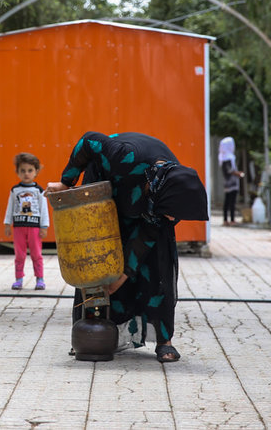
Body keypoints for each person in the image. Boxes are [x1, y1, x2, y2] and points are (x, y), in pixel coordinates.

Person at [45, 131, 208, 363]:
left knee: (157, 262)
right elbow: (89, 140)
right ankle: (87, 337)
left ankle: (164, 340)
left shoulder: (172, 193)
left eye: (175, 216)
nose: (173, 219)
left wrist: (121, 276)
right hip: (105, 192)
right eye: (171, 214)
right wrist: (66, 182)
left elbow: (144, 238)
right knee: (98, 260)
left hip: (146, 205)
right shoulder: (125, 156)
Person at [3, 152, 49, 291]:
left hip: (34, 227)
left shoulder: (39, 190)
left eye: (30, 170)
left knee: (36, 254)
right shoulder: (15, 190)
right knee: (19, 254)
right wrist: (7, 223)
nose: (26, 174)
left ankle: (40, 279)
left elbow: (43, 209)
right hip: (19, 227)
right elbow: (10, 207)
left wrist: (44, 226)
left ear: (36, 172)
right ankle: (19, 279)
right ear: (17, 172)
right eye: (22, 171)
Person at [219, 137, 245, 224]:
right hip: (232, 182)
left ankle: (226, 219)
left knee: (227, 201)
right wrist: (239, 174)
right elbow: (229, 170)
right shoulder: (228, 157)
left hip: (227, 182)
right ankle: (232, 220)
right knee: (231, 202)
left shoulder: (222, 157)